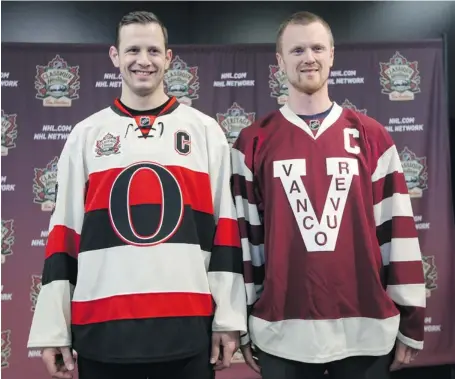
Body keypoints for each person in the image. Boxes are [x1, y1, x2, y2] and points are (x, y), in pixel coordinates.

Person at [27, 10, 247, 379]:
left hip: (186, 330)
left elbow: (225, 231)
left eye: (153, 51)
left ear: (169, 58)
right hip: (103, 331)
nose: (142, 61)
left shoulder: (205, 131)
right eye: (132, 51)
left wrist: (227, 318)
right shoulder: (86, 135)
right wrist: (53, 328)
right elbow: (63, 234)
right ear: (115, 56)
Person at [231, 11, 426, 379]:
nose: (309, 57)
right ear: (280, 60)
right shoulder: (253, 142)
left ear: (332, 55)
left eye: (318, 47)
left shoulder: (372, 136)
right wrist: (242, 321)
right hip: (281, 333)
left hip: (365, 333)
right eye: (298, 49)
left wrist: (411, 321)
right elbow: (247, 242)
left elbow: (397, 233)